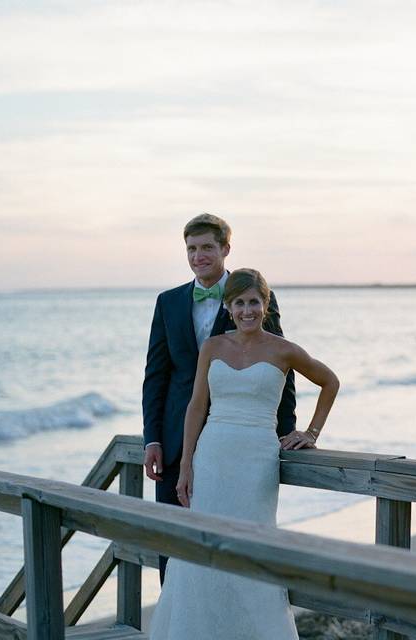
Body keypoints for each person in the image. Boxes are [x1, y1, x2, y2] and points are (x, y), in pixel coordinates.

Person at [149, 268, 339, 640]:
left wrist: (310, 432)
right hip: (212, 456)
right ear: (229, 306)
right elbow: (195, 407)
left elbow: (330, 381)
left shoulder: (284, 350)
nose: (247, 310)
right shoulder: (213, 347)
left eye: (254, 302)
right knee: (201, 548)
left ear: (265, 305)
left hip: (255, 460)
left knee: (251, 547)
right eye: (239, 303)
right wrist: (186, 465)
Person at [142, 213, 301, 582]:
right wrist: (153, 437)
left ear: (225, 249)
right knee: (175, 544)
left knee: (237, 540)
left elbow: (282, 368)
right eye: (192, 248)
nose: (199, 256)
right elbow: (156, 374)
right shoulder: (168, 302)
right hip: (175, 441)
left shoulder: (255, 298)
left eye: (207, 247)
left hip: (238, 445)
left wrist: (289, 432)